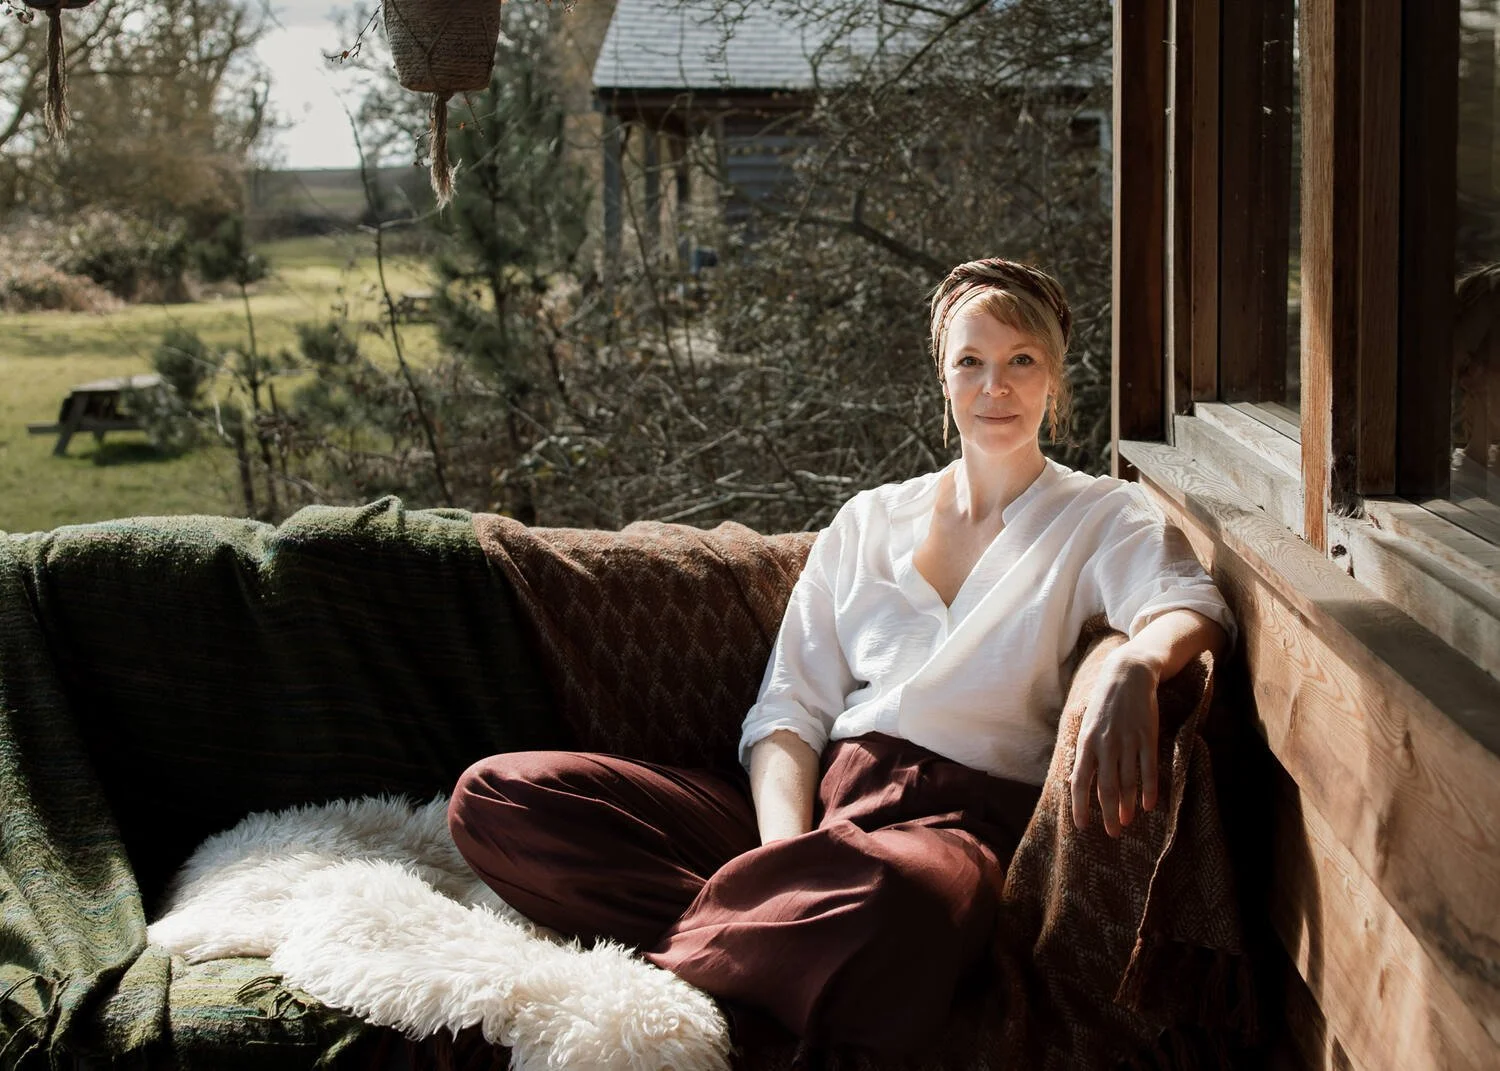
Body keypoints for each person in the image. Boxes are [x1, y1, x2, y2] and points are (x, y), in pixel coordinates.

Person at [447, 258, 1236, 1058]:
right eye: (971, 361)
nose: (995, 384)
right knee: (499, 796)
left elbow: (1191, 605)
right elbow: (789, 710)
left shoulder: (1099, 515)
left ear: (1055, 378)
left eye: (1021, 360)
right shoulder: (867, 520)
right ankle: (775, 935)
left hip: (951, 835)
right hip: (816, 817)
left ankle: (741, 940)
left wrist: (1136, 665)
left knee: (899, 903)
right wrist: (781, 852)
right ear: (942, 376)